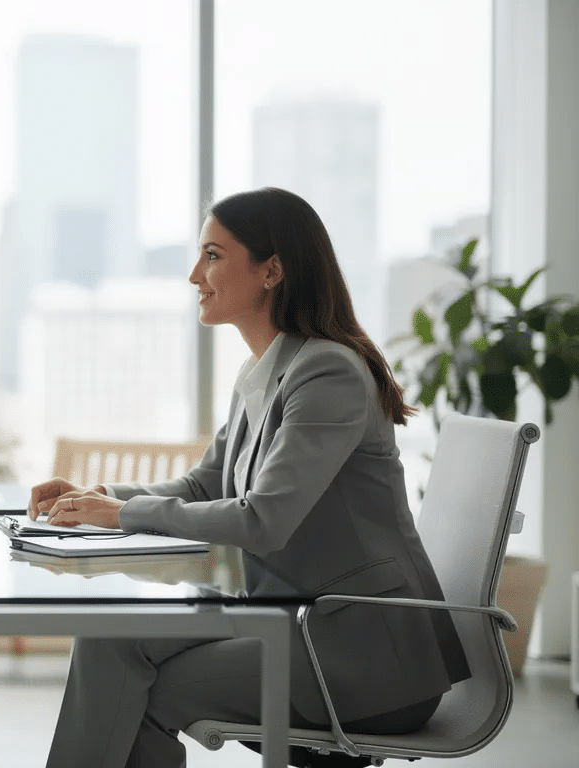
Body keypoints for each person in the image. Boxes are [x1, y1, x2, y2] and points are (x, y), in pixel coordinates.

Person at [28, 187, 470, 768]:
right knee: (110, 640)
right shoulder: (267, 370)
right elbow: (203, 486)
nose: (194, 275)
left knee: (140, 692)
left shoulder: (327, 370)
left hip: (367, 657)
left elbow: (264, 520)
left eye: (212, 255)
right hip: (304, 622)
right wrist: (102, 497)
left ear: (272, 270)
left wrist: (121, 515)